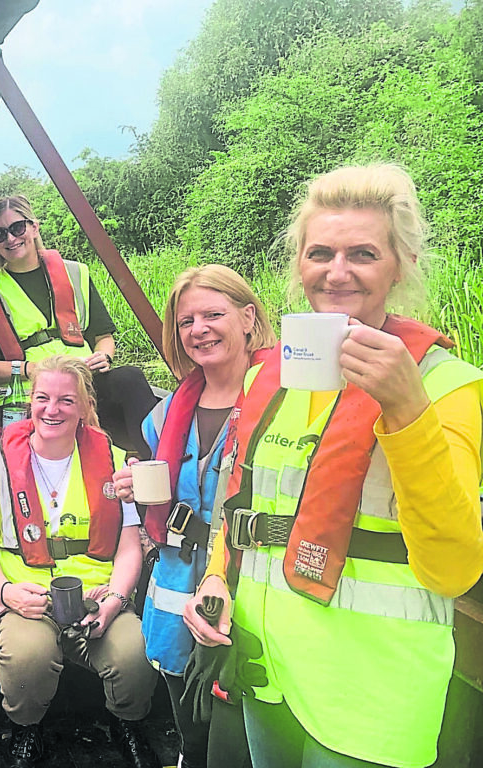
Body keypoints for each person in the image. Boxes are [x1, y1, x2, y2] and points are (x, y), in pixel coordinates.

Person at [184, 164, 483, 768]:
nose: (337, 270)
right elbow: (240, 506)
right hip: (268, 672)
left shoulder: (447, 386)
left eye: (363, 254)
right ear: (299, 264)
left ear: (398, 266)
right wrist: (216, 578)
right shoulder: (272, 376)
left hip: (370, 694)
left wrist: (405, 407)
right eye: (320, 252)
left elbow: (453, 565)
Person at [111, 265, 274, 768]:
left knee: (245, 719)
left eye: (213, 314)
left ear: (248, 317)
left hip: (253, 580)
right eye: (186, 322)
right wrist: (132, 487)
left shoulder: (286, 399)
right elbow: (162, 495)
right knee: (191, 723)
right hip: (178, 580)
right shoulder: (164, 414)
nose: (198, 329)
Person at [0, 355, 160, 768]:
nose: (52, 410)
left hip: (96, 593)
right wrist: (6, 592)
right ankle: (26, 730)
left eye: (66, 400)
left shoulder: (112, 459)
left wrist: (116, 600)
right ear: (30, 400)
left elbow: (130, 546)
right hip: (25, 595)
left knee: (136, 652)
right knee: (27, 657)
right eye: (42, 398)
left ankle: (125, 723)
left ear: (85, 406)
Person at [0, 195, 158, 455]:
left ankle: (158, 467)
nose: (10, 239)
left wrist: (104, 356)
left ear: (34, 228)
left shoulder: (75, 274)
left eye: (17, 228)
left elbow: (103, 335)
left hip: (84, 382)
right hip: (26, 395)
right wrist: (29, 369)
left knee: (130, 378)